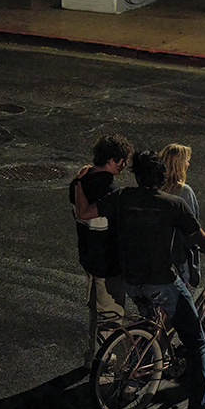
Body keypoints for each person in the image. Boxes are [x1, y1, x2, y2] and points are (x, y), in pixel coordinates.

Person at [75, 150, 205, 409]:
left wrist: (78, 184)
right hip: (163, 282)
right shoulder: (172, 204)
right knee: (197, 341)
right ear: (161, 177)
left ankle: (138, 374)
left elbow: (84, 212)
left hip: (132, 283)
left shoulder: (121, 197)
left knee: (152, 325)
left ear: (137, 176)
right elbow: (203, 239)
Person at [69, 134, 133, 361]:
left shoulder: (79, 184)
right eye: (123, 161)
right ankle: (104, 369)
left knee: (95, 313)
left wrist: (77, 182)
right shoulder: (112, 193)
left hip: (88, 258)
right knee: (111, 318)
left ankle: (92, 357)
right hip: (109, 265)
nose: (125, 165)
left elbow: (80, 212)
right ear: (113, 161)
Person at [160, 143, 201, 288]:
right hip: (178, 265)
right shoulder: (184, 192)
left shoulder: (156, 189)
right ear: (179, 165)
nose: (188, 164)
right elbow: (191, 231)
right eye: (186, 161)